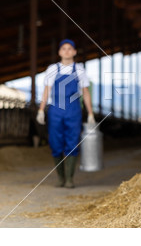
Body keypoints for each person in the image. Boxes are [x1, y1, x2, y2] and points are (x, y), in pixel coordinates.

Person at [36, 39, 95, 188]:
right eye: (64, 48)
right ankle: (60, 178)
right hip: (55, 110)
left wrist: (90, 113)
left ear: (74, 52)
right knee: (55, 143)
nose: (67, 51)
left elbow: (85, 93)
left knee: (72, 142)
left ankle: (69, 179)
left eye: (70, 48)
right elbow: (46, 90)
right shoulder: (52, 69)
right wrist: (41, 110)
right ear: (59, 52)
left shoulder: (80, 70)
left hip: (73, 110)